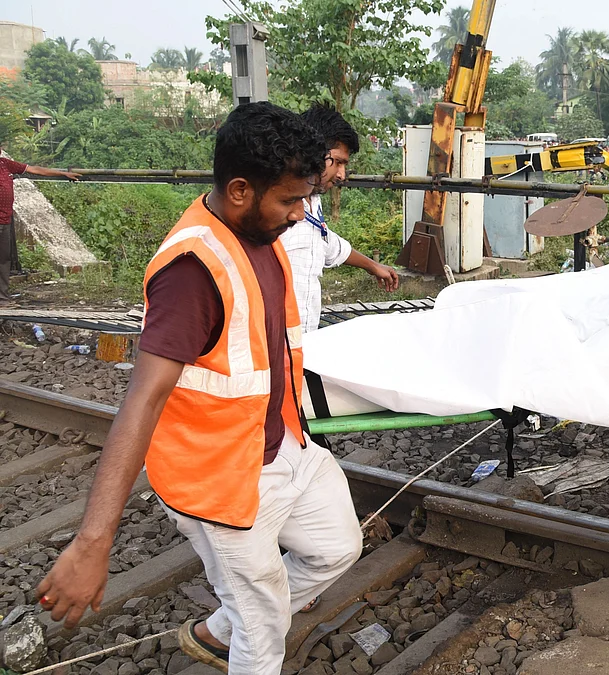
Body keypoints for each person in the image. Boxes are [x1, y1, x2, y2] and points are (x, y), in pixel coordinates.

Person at [36, 103, 363, 673]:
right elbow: (142, 400)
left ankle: (218, 632)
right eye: (290, 200)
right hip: (219, 476)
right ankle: (243, 632)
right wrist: (92, 543)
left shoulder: (262, 231)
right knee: (263, 633)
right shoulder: (192, 272)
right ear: (240, 190)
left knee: (338, 547)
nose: (300, 214)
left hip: (281, 443)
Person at [282, 105, 399, 334]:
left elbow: (327, 242)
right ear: (312, 152)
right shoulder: (278, 209)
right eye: (337, 162)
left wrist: (372, 266)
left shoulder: (313, 200)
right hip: (274, 341)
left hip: (304, 337)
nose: (342, 175)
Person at [0, 153, 81, 306]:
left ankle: (2, 299)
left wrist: (63, 173)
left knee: (3, 261)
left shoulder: (5, 164)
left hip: (4, 221)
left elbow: (35, 169)